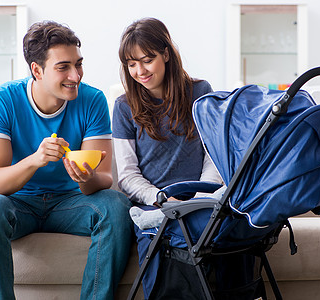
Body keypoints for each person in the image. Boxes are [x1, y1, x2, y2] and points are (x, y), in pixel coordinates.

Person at [0, 20, 133, 300]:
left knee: (117, 205)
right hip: (17, 203)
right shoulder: (1, 101)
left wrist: (86, 178)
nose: (76, 75)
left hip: (70, 204)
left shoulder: (92, 100)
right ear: (37, 70)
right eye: (63, 67)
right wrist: (35, 160)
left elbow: (105, 178)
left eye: (78, 64)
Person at [112, 17, 222, 299]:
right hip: (155, 206)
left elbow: (214, 156)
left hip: (201, 199)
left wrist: (198, 197)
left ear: (166, 53)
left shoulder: (199, 92)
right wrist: (161, 198)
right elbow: (127, 175)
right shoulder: (124, 107)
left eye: (147, 60)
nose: (140, 71)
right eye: (131, 64)